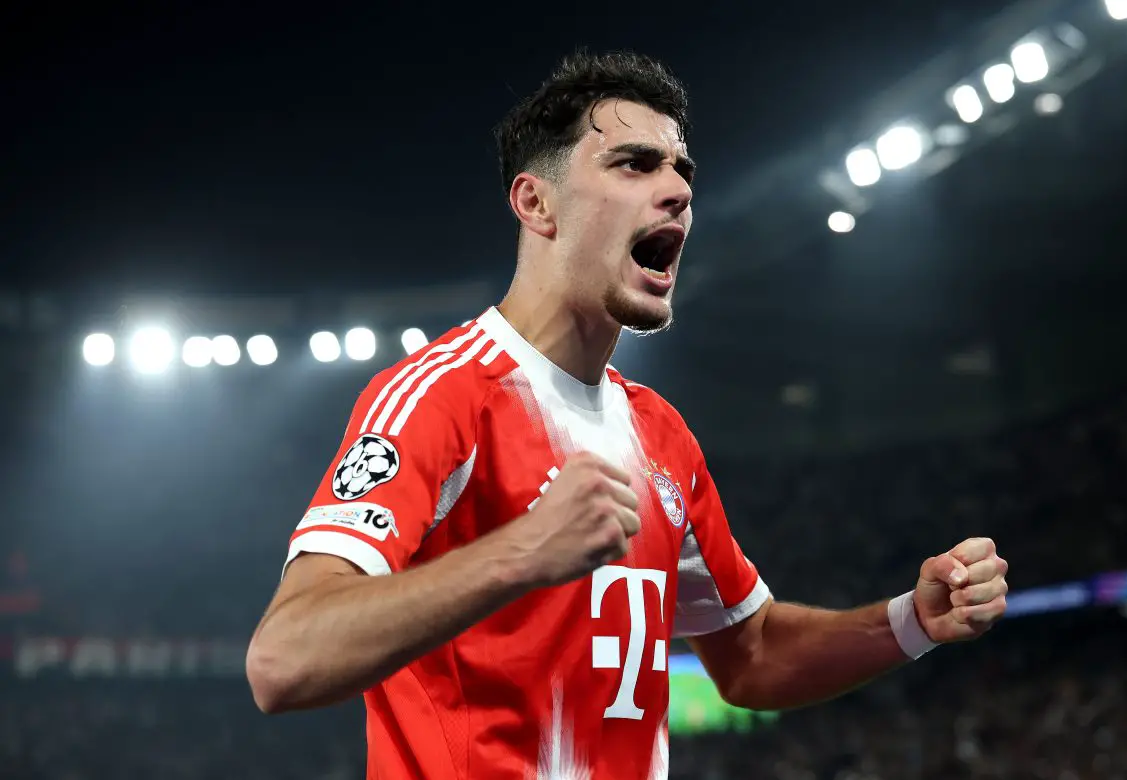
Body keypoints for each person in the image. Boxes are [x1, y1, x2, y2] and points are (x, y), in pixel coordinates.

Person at [245, 50, 1010, 779]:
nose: (676, 188)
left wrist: (910, 620)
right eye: (635, 163)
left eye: (681, 169)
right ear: (535, 203)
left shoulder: (660, 434)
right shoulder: (442, 395)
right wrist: (517, 554)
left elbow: (750, 654)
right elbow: (283, 660)